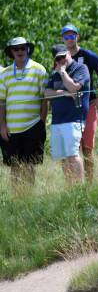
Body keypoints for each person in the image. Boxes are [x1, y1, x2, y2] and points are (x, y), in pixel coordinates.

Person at [0, 37, 48, 191]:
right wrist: (2, 126)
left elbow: (44, 99)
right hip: (11, 129)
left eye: (22, 48)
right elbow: (1, 102)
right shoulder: (5, 73)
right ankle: (17, 197)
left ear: (27, 49)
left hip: (33, 125)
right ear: (11, 52)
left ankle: (28, 197)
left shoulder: (39, 69)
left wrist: (41, 121)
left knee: (29, 165)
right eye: (16, 49)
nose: (20, 51)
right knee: (14, 166)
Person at [61, 24, 98, 182]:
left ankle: (90, 184)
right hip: (69, 109)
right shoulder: (60, 57)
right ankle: (73, 185)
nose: (69, 39)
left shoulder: (88, 55)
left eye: (72, 36)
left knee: (87, 147)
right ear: (62, 39)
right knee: (71, 149)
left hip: (88, 106)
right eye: (66, 36)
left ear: (77, 37)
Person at [44, 44, 90, 184]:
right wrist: (63, 93)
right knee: (63, 157)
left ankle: (79, 189)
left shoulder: (81, 68)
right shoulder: (54, 73)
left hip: (74, 119)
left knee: (73, 155)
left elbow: (74, 88)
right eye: (58, 58)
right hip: (57, 120)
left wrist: (63, 73)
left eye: (64, 56)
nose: (62, 60)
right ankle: (70, 189)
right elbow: (46, 94)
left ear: (69, 54)